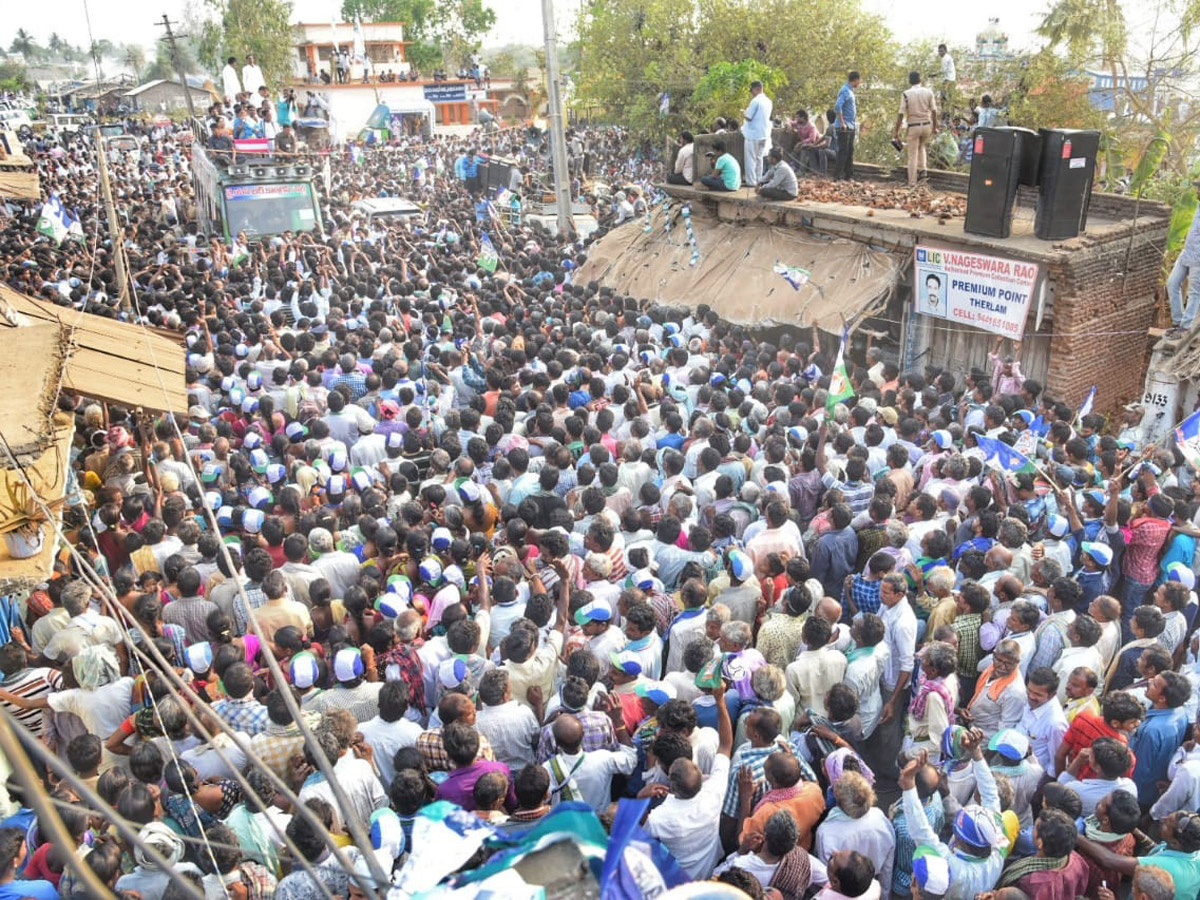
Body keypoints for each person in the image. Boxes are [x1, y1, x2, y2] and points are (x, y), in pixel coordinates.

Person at [1167, 186, 1200, 338]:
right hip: (1186, 252)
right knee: (1172, 283)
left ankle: (1185, 326)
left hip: (1198, 258)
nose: (1197, 192)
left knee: (1194, 291)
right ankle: (1177, 320)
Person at [894, 70, 937, 186]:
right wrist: (935, 127)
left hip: (913, 126)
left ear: (909, 81)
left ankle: (912, 182)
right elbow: (934, 111)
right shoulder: (928, 92)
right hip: (927, 126)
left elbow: (901, 114)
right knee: (921, 147)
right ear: (920, 80)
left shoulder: (906, 94)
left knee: (912, 155)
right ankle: (923, 172)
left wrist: (896, 132)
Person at [742, 80, 773, 188]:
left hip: (752, 135)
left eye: (753, 90)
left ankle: (751, 181)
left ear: (757, 89)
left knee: (750, 159)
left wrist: (743, 113)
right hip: (764, 134)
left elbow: (749, 117)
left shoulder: (755, 101)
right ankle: (759, 179)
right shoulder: (768, 101)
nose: (752, 93)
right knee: (759, 159)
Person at [833, 71, 861, 181]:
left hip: (851, 125)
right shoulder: (845, 91)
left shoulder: (850, 91)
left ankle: (848, 175)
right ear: (856, 80)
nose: (860, 82)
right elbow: (837, 107)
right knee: (843, 152)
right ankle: (837, 176)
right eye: (859, 80)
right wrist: (842, 123)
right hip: (844, 126)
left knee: (850, 151)